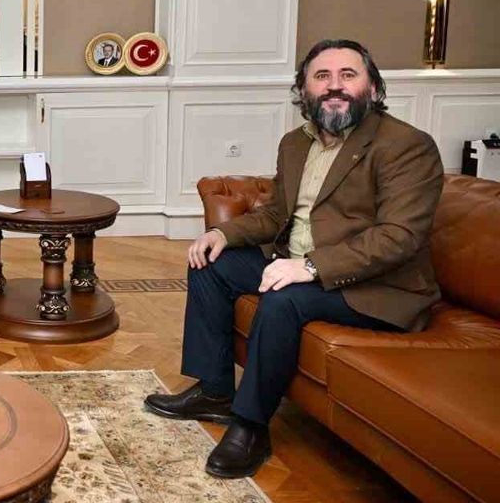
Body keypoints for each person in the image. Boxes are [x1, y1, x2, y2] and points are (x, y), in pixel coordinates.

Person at [144, 39, 444, 479]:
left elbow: (399, 237)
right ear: (304, 90)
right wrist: (221, 233)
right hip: (298, 263)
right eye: (322, 77)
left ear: (373, 88)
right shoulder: (295, 143)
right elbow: (276, 216)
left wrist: (309, 267)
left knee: (283, 300)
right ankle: (214, 391)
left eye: (348, 75)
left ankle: (250, 426)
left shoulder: (406, 146)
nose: (334, 86)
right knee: (211, 265)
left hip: (374, 285)